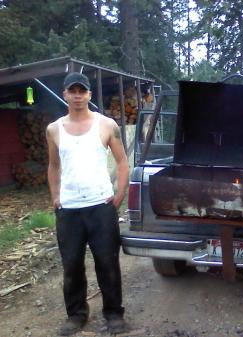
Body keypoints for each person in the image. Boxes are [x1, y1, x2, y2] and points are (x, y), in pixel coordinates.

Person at [46, 72, 129, 336]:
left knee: (107, 262)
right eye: (73, 91)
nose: (78, 95)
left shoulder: (106, 125)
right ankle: (76, 315)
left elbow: (123, 162)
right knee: (71, 265)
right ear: (65, 94)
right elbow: (53, 166)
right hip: (69, 209)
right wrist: (55, 197)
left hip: (100, 206)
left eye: (83, 91)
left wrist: (119, 195)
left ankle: (114, 314)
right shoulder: (54, 129)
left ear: (90, 95)